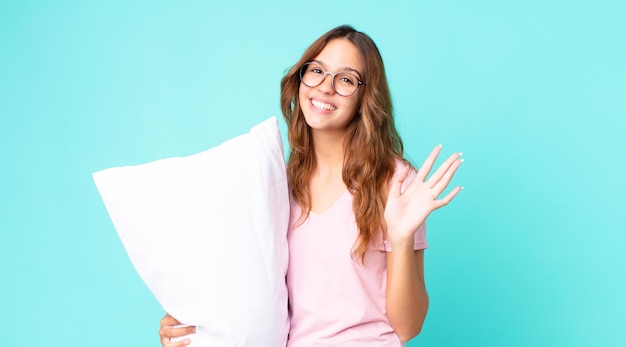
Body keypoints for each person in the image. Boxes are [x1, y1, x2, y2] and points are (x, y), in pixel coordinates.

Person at [159, 25, 462, 346]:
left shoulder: (394, 181)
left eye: (345, 79)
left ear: (365, 97)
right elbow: (251, 295)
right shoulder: (279, 182)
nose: (325, 87)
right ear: (300, 80)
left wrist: (401, 240)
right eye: (316, 71)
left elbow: (408, 327)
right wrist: (190, 325)